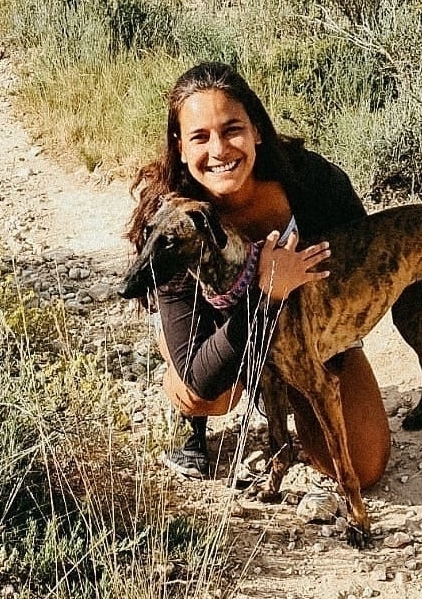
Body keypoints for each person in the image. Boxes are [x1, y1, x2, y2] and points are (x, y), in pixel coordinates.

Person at [126, 62, 391, 489]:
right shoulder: (173, 221)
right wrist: (266, 292)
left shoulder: (314, 184)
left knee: (364, 468)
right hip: (219, 338)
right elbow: (202, 374)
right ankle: (190, 418)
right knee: (203, 394)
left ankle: (287, 391)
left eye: (232, 130)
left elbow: (365, 276)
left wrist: (325, 348)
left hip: (313, 335)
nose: (219, 150)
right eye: (199, 137)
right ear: (179, 146)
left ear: (257, 131)